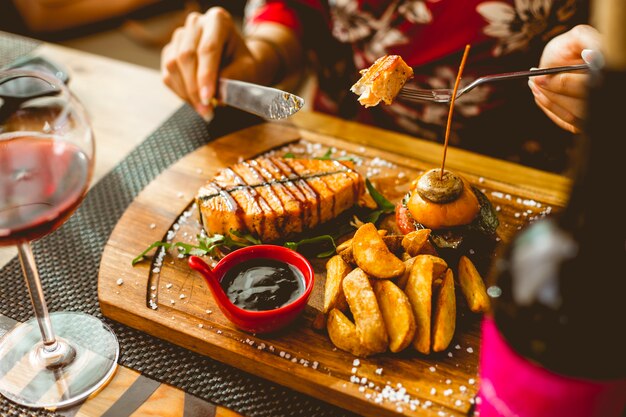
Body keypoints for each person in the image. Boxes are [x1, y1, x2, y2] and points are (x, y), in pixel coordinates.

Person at [160, 1, 599, 172]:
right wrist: (261, 53)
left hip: (517, 166)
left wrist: (588, 60)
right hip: (333, 144)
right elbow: (295, 10)